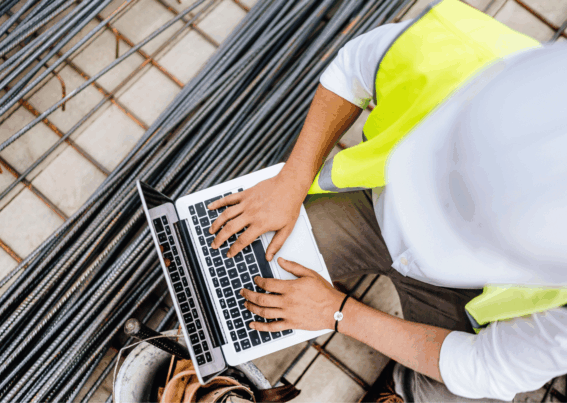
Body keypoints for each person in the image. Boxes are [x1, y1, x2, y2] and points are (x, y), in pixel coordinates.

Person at [206, 0, 567, 401]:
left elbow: (487, 368)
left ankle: (403, 389)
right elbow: (352, 69)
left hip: (471, 299)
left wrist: (338, 313)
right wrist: (293, 179)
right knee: (234, 253)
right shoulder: (466, 50)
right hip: (372, 208)